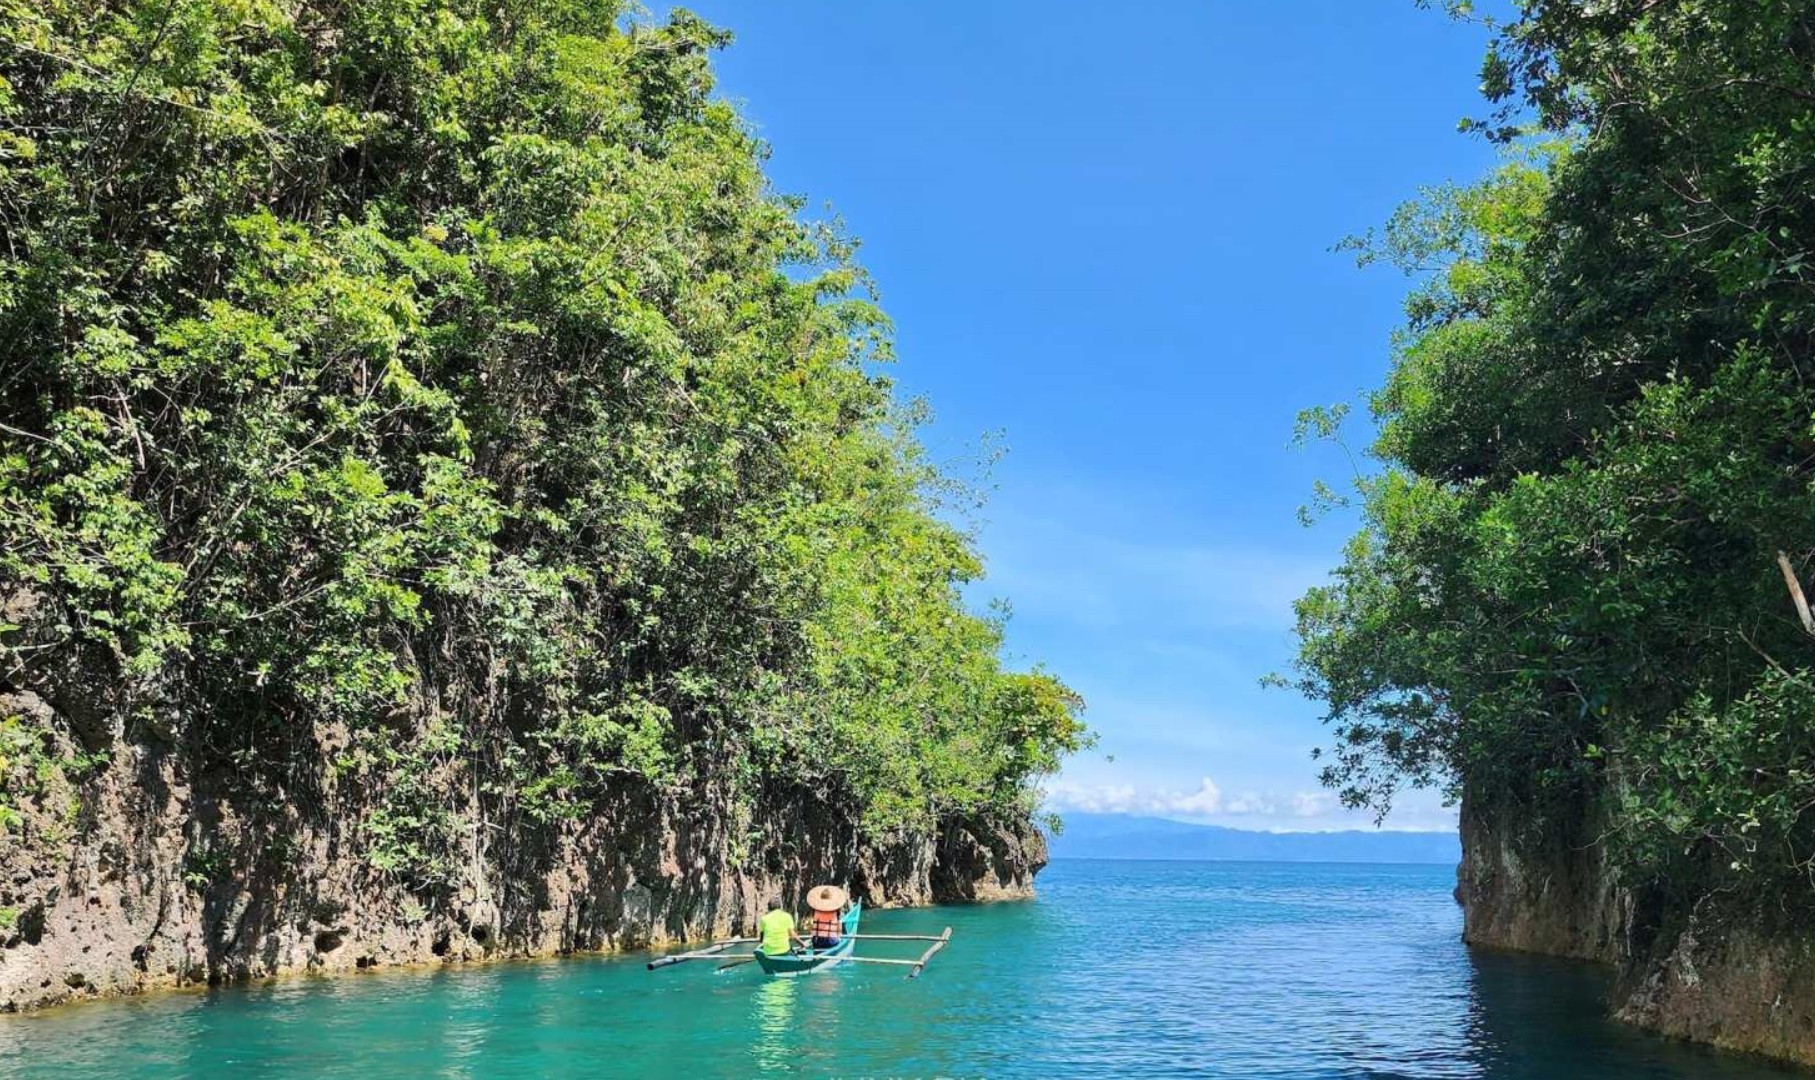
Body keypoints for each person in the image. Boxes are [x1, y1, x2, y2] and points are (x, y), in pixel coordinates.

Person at [805, 884, 847, 949]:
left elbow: (812, 925)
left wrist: (811, 936)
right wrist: (839, 937)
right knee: (839, 939)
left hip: (816, 941)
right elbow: (839, 927)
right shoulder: (835, 911)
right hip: (831, 941)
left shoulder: (815, 910)